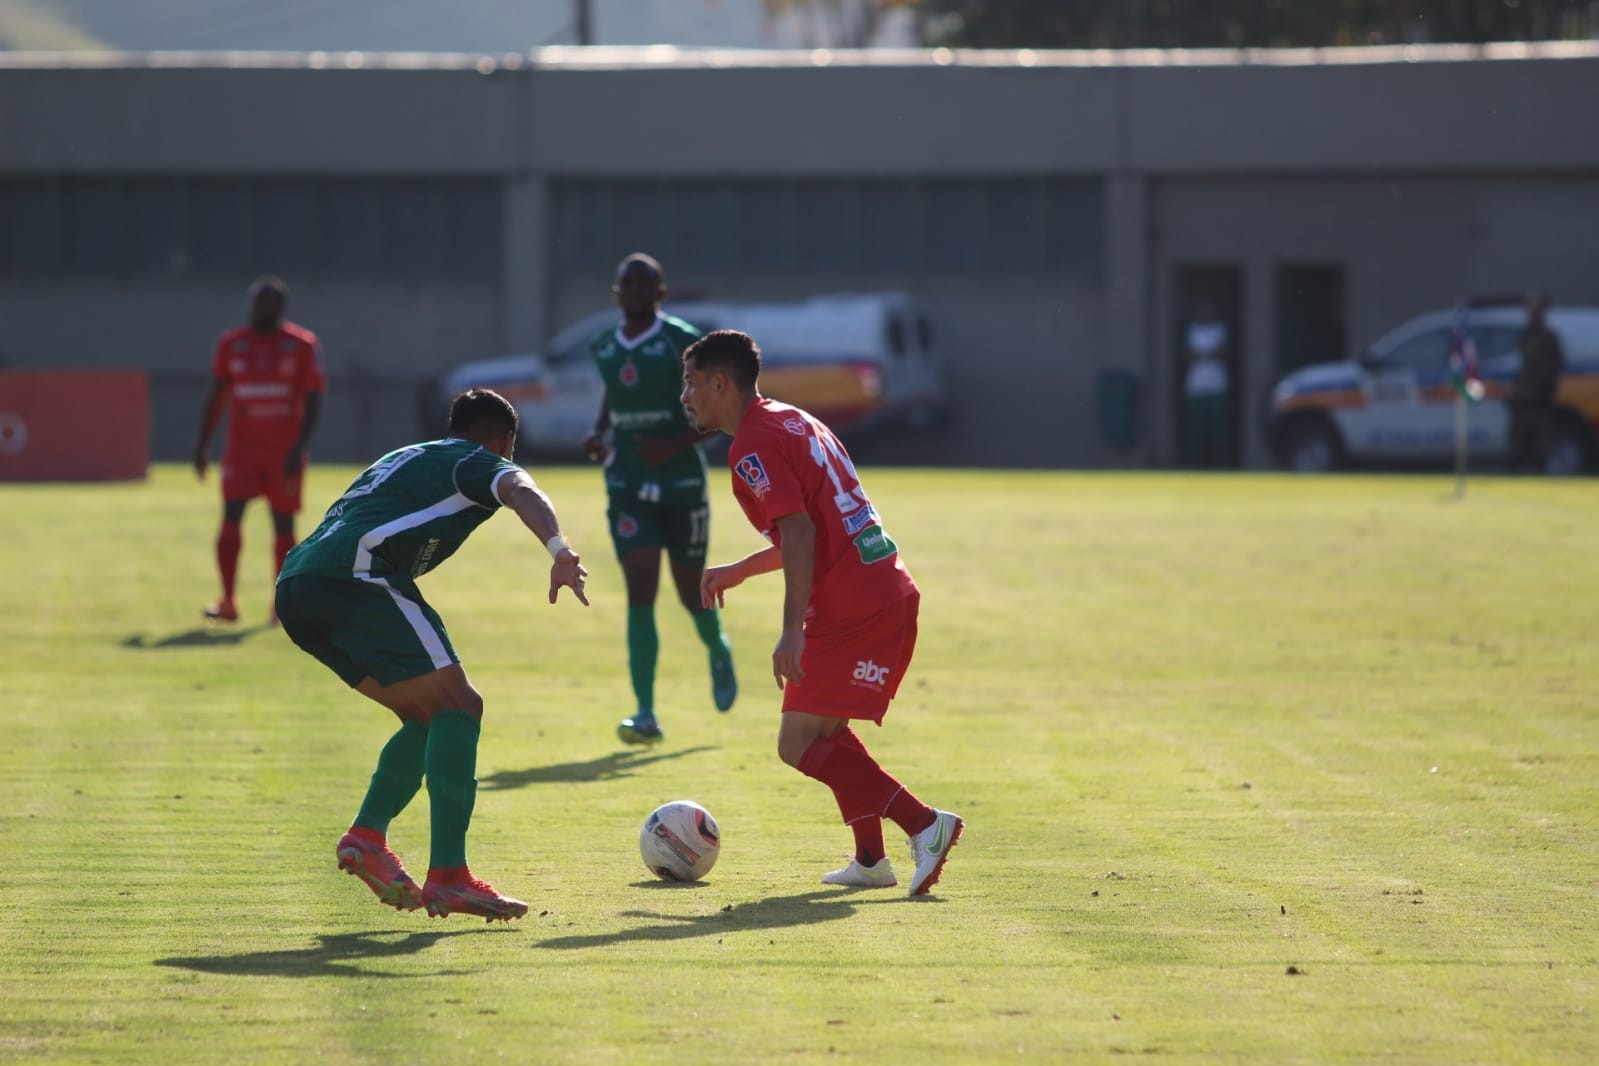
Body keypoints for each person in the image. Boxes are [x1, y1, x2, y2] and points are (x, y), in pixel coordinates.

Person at [274, 388, 590, 922]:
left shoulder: (404, 455)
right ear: (505, 440)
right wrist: (560, 550)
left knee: (426, 717)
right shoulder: (479, 460)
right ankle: (449, 876)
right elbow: (518, 486)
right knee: (460, 707)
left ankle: (367, 836)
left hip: (298, 585)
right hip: (356, 577)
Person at [682, 330, 962, 897]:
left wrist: (791, 631)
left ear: (719, 383)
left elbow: (802, 530)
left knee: (797, 742)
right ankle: (870, 859)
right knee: (825, 726)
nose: (684, 396)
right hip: (876, 587)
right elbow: (811, 524)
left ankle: (924, 824)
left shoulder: (751, 446)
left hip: (856, 604)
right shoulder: (791, 418)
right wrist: (740, 569)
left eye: (690, 383)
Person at [582, 253, 736, 746]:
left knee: (691, 593)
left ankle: (717, 647)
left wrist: (672, 445)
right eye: (627, 285)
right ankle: (645, 710)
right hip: (627, 481)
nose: (635, 293)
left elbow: (716, 411)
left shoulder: (680, 342)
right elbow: (612, 391)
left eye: (644, 285)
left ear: (660, 294)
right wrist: (599, 430)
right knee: (640, 589)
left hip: (681, 483)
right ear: (617, 293)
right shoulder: (604, 345)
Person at [193, 277, 325, 623]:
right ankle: (227, 601)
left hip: (283, 454)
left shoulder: (301, 345)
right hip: (241, 453)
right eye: (259, 304)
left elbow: (314, 400)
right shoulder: (232, 344)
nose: (264, 311)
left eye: (271, 306)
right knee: (231, 515)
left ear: (282, 309)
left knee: (283, 524)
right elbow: (217, 397)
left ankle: (280, 605)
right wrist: (202, 445)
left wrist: (300, 447)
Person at [1508, 291, 1565, 474]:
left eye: (1535, 308)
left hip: (1541, 396)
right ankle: (1518, 468)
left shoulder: (1548, 337)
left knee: (1542, 439)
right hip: (1523, 396)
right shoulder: (1525, 334)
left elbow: (1555, 366)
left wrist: (1546, 390)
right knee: (1519, 437)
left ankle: (1538, 469)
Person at [1181, 300, 1233, 469]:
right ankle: (1193, 466)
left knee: (1220, 429)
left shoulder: (1221, 329)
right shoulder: (1192, 330)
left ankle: (1223, 466)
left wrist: (1204, 354)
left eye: (1209, 309)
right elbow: (1188, 355)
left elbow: (1224, 352)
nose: (1206, 313)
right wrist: (1209, 353)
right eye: (1203, 309)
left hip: (1218, 386)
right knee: (1196, 430)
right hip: (1197, 387)